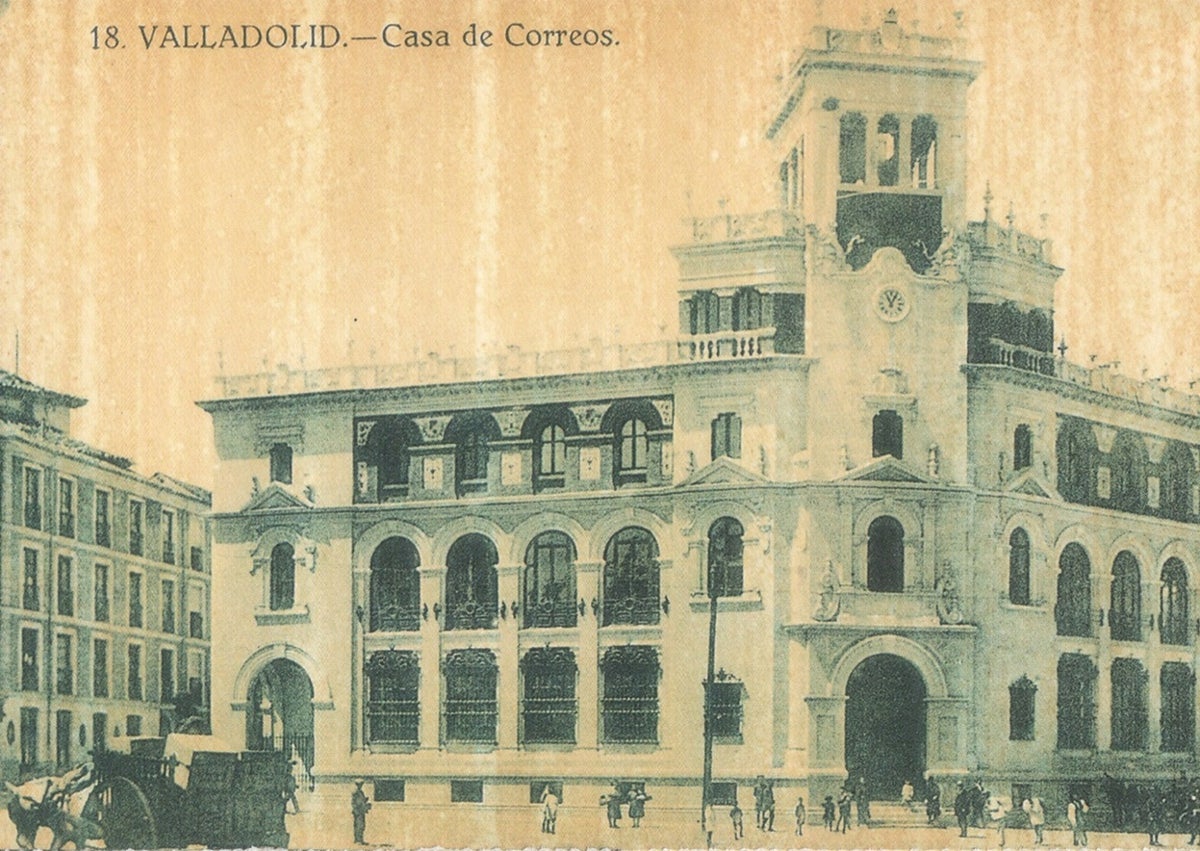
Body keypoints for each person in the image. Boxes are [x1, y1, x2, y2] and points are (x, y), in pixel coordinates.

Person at [350, 779, 371, 845]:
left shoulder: (361, 792)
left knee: (362, 825)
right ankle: (358, 840)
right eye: (360, 784)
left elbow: (361, 800)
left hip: (361, 810)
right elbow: (355, 802)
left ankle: (360, 840)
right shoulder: (355, 792)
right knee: (359, 825)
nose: (361, 785)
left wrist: (366, 800)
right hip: (358, 811)